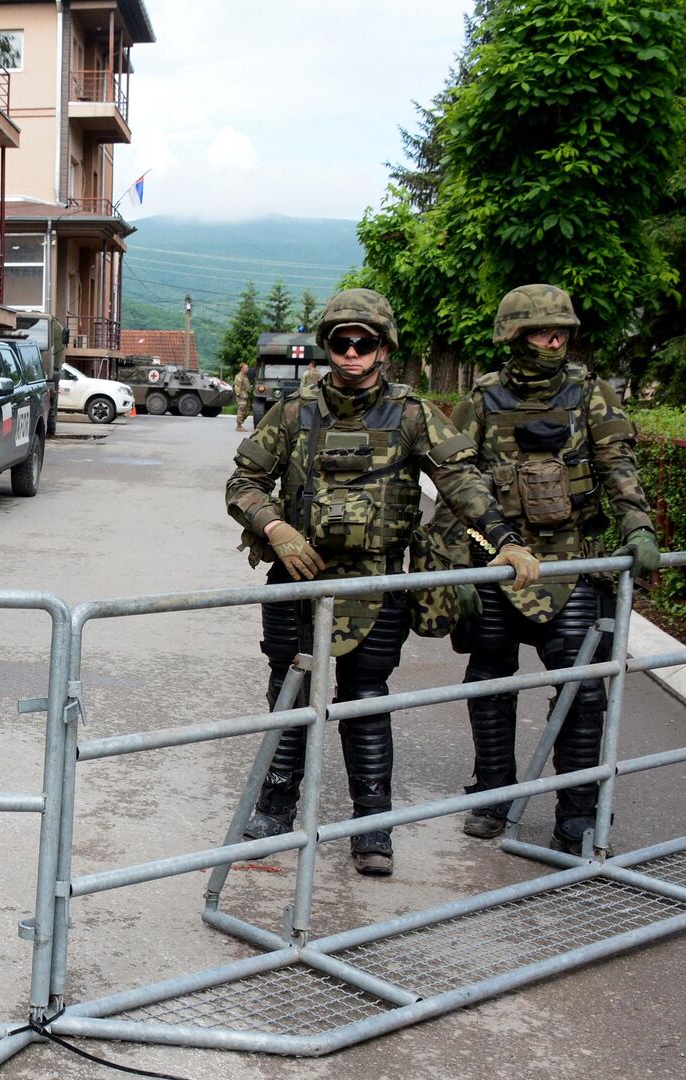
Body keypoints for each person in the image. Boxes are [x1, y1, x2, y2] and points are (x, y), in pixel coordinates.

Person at [225, 288, 540, 876]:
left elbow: (462, 482)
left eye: (363, 342)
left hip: (377, 584)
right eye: (341, 342)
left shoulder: (414, 414)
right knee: (288, 693)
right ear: (328, 347)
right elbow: (242, 483)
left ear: (383, 349)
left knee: (366, 698)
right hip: (299, 581)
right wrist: (275, 526)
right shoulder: (293, 412)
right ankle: (274, 807)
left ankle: (372, 827)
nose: (351, 352)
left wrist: (505, 539)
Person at [434, 284, 660, 852]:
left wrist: (638, 524)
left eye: (561, 330)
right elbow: (455, 487)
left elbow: (619, 466)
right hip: (496, 565)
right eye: (540, 331)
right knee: (489, 685)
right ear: (514, 336)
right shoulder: (482, 400)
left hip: (571, 565)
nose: (553, 340)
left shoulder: (591, 395)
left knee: (583, 693)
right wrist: (452, 569)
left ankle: (577, 812)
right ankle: (493, 794)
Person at [234, 361, 253, 431]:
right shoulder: (239, 377)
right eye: (246, 368)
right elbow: (237, 387)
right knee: (241, 409)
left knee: (247, 411)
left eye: (247, 368)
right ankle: (239, 426)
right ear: (242, 368)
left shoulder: (245, 377)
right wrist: (240, 395)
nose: (247, 369)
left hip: (246, 396)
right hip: (241, 397)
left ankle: (241, 422)